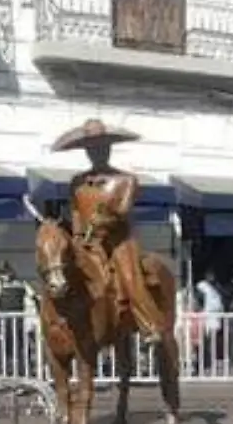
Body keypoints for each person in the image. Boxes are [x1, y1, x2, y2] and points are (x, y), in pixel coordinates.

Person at [54, 118, 169, 342]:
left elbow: (123, 211)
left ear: (109, 148)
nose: (97, 152)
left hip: (118, 241)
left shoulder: (126, 180)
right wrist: (77, 238)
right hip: (87, 243)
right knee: (60, 270)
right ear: (86, 151)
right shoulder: (77, 182)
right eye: (92, 148)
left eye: (102, 147)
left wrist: (105, 219)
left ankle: (149, 324)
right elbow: (76, 213)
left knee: (129, 277)